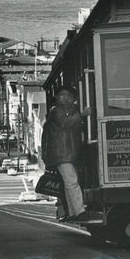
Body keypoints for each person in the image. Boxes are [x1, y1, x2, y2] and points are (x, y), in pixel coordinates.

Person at [41, 85, 97, 223]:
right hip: (63, 153)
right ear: (57, 98)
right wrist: (83, 115)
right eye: (62, 95)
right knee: (72, 182)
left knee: (69, 183)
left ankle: (73, 212)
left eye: (69, 96)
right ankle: (80, 212)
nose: (66, 98)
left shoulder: (70, 111)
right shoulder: (56, 112)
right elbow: (65, 123)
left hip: (68, 153)